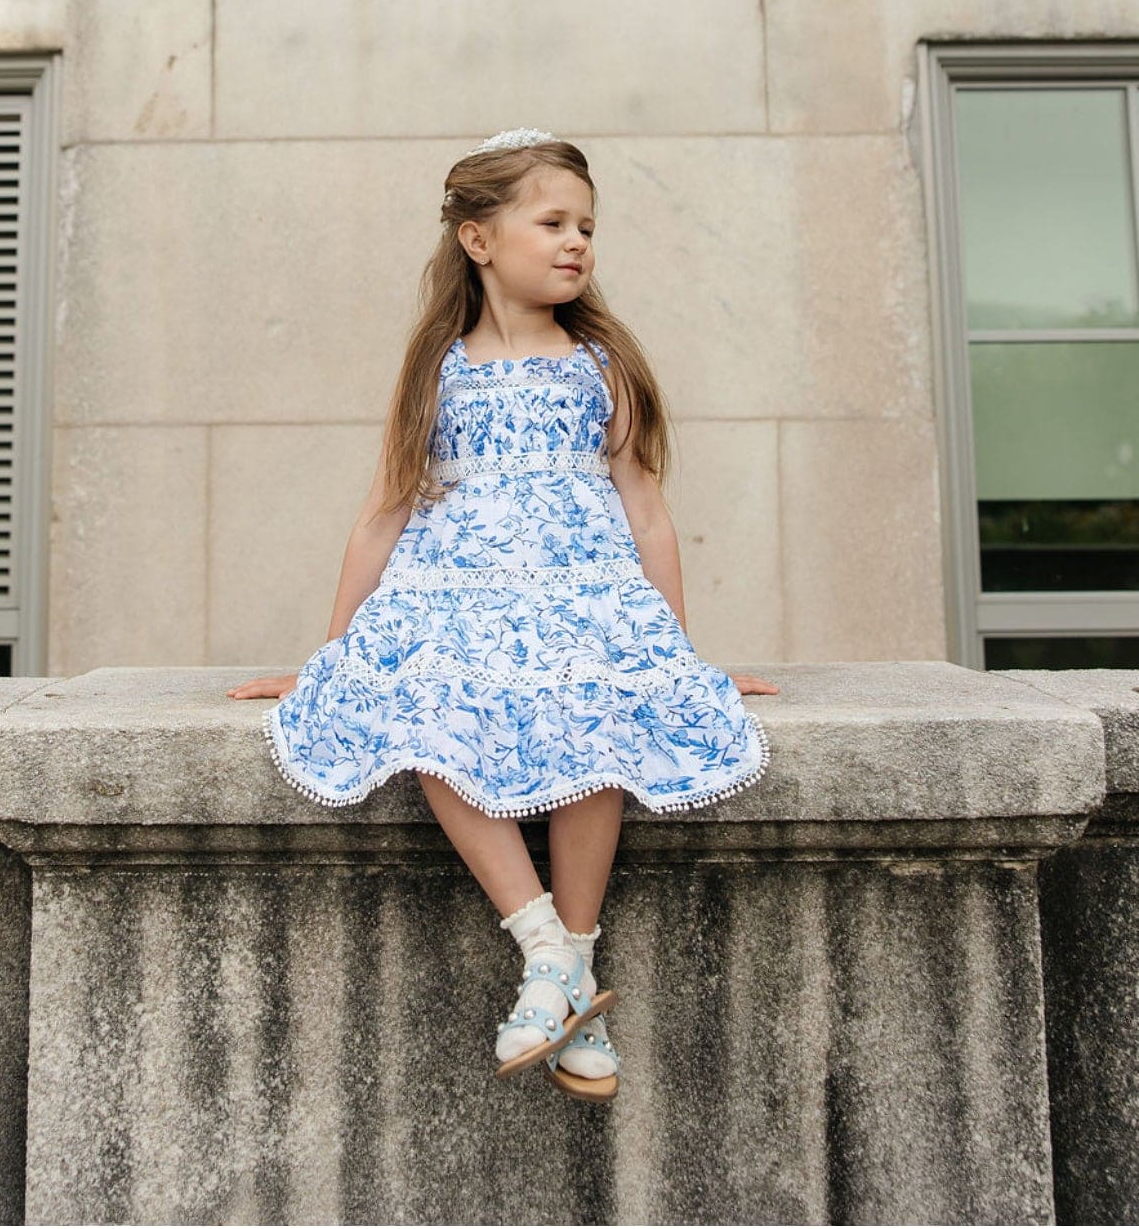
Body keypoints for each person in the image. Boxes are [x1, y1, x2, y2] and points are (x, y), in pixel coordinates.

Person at [228, 127, 778, 1102]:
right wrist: (335, 653)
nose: (578, 242)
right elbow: (383, 511)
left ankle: (570, 962)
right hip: (454, 594)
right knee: (428, 706)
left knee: (592, 709)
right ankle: (548, 951)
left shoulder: (600, 363)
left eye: (588, 227)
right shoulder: (439, 369)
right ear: (480, 239)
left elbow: (646, 510)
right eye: (554, 222)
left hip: (583, 595)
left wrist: (675, 654)